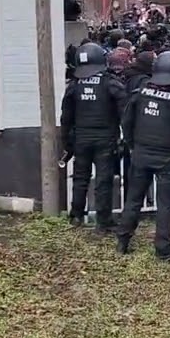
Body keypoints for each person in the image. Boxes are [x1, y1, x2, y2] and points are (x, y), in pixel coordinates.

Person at [117, 51, 170, 263]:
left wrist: (131, 145)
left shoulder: (140, 94)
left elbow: (126, 123)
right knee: (165, 205)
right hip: (168, 159)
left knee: (134, 199)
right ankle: (163, 250)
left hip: (141, 154)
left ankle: (123, 240)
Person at [60, 42, 128, 234]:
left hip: (81, 138)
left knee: (80, 177)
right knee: (103, 180)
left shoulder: (74, 86)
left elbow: (65, 117)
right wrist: (127, 138)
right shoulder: (111, 83)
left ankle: (76, 216)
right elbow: (125, 113)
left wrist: (66, 142)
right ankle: (103, 221)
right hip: (105, 139)